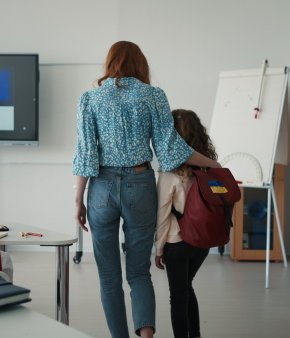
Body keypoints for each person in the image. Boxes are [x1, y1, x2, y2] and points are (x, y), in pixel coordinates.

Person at [73, 41, 220, 338]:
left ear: (109, 62)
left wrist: (78, 199)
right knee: (139, 272)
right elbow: (171, 150)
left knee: (109, 277)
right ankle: (147, 336)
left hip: (101, 187)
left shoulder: (90, 98)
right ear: (140, 64)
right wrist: (215, 166)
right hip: (140, 184)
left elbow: (85, 153)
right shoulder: (153, 96)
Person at [154, 109, 217, 338]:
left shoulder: (170, 172)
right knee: (187, 287)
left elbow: (162, 214)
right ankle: (196, 334)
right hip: (203, 241)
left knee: (178, 295)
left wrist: (159, 249)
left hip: (177, 241)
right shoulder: (210, 167)